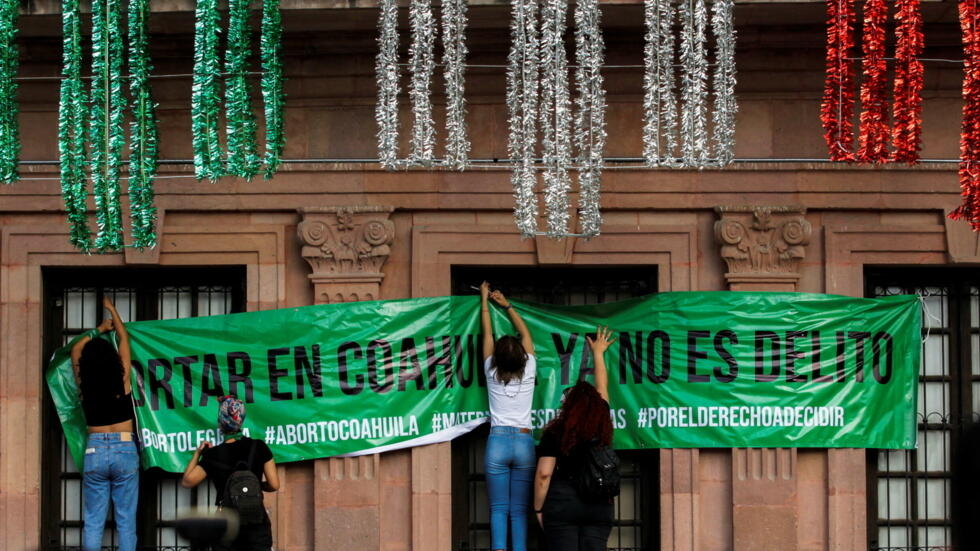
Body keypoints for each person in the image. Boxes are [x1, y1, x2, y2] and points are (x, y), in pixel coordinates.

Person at [533, 326, 617, 551]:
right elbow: (602, 387)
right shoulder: (602, 424)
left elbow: (544, 474)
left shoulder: (555, 433)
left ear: (568, 408)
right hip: (599, 503)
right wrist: (598, 353)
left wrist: (539, 509)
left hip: (563, 504)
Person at [70, 296, 139, 551]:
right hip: (124, 448)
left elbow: (76, 348)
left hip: (95, 448)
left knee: (94, 521)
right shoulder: (122, 379)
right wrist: (112, 311)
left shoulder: (84, 384)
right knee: (126, 521)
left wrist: (98, 330)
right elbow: (125, 339)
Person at [480, 281, 537, 551]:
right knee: (519, 510)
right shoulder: (530, 369)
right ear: (523, 358)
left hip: (498, 442)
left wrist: (484, 301)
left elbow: (486, 332)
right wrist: (508, 305)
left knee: (498, 509)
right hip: (524, 442)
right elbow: (526, 333)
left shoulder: (491, 370)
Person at [181, 395, 280, 551]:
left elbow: (187, 481)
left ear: (221, 422)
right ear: (241, 420)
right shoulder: (259, 447)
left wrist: (197, 453)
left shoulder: (212, 454)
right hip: (256, 520)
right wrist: (257, 486)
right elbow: (274, 484)